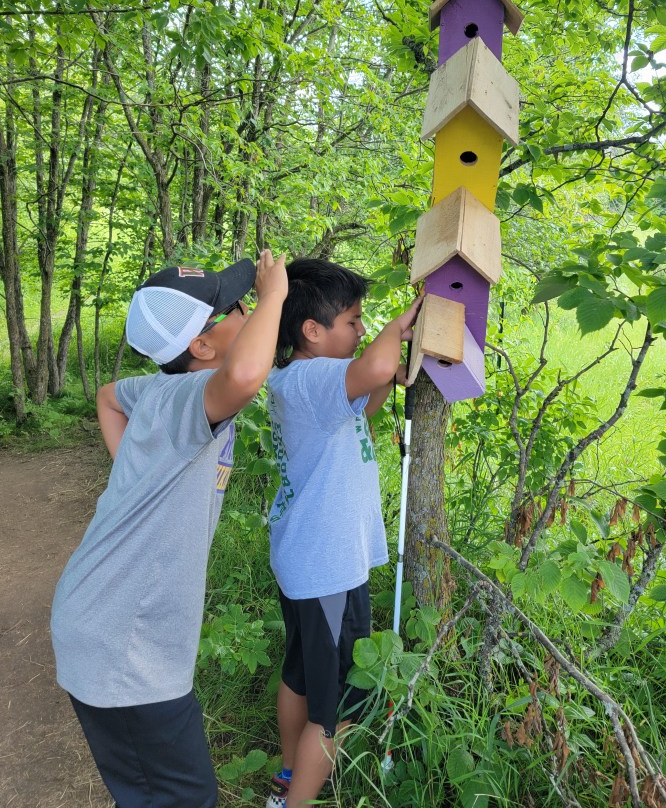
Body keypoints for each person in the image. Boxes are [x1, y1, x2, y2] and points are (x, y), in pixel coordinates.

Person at [51, 250, 288, 808]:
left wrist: (133, 482)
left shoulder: (158, 393)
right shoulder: (188, 397)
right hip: (124, 649)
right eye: (233, 307)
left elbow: (108, 396)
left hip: (108, 623)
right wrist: (275, 296)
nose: (247, 307)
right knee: (184, 799)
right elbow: (247, 375)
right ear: (201, 348)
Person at [264, 258, 421, 808]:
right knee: (340, 709)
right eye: (353, 321)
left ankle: (288, 774)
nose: (360, 331)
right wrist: (404, 324)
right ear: (312, 331)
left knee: (302, 674)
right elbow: (373, 368)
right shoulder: (312, 378)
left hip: (306, 559)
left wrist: (387, 372)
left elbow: (366, 403)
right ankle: (296, 804)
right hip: (329, 566)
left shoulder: (301, 381)